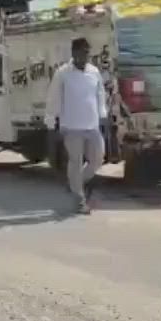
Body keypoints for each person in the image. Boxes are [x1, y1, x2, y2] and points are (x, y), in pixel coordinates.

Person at [46, 37, 107, 214]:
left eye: (87, 53)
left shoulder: (94, 72)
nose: (85, 56)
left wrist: (102, 115)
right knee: (75, 161)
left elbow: (100, 94)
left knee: (97, 159)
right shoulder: (63, 73)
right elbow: (53, 98)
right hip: (71, 126)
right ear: (73, 53)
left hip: (92, 125)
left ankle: (75, 184)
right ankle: (79, 199)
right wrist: (51, 121)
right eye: (81, 52)